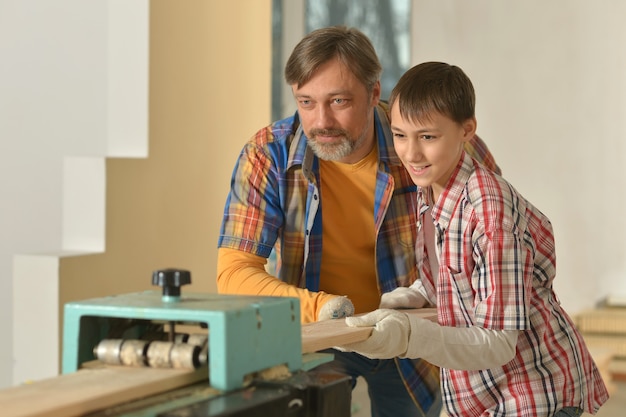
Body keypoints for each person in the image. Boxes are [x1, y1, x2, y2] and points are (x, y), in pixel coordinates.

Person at [216, 26, 500, 417]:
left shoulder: (431, 143)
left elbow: (495, 244)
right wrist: (325, 309)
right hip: (319, 334)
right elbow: (233, 274)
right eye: (306, 102)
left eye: (338, 100)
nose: (321, 121)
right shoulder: (268, 155)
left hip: (414, 335)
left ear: (373, 93)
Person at [336, 61, 610, 416]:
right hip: (481, 396)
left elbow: (498, 343)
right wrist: (416, 295)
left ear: (467, 130)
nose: (411, 153)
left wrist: (410, 337)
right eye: (400, 135)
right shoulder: (431, 189)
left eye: (428, 137)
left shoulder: (490, 210)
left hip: (534, 396)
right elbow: (457, 278)